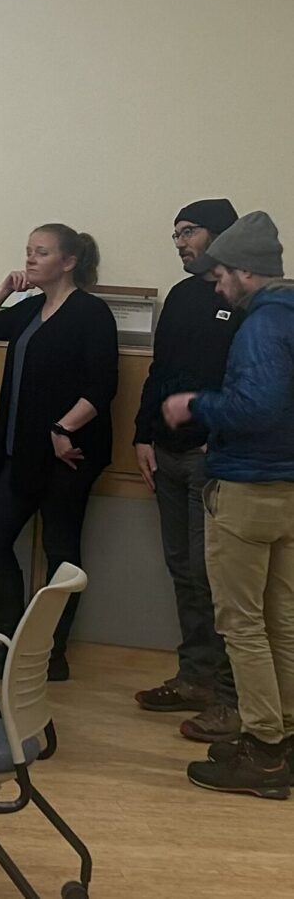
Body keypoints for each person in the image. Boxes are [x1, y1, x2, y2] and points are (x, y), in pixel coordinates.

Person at [162, 212, 294, 800]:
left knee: (240, 624)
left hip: (247, 491)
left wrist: (198, 404)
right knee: (280, 623)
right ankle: (282, 738)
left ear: (245, 271)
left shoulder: (263, 327)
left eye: (221, 275)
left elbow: (258, 408)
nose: (216, 286)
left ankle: (264, 753)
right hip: (287, 492)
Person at [0, 223, 118, 682]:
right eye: (28, 251)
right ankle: (10, 643)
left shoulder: (92, 313)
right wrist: (4, 288)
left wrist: (63, 427)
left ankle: (51, 655)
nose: (31, 260)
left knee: (61, 553)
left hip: (67, 455)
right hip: (19, 453)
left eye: (42, 253)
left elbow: (102, 385)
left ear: (69, 262)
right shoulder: (30, 309)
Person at [133, 199, 241, 743]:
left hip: (213, 458)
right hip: (167, 454)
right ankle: (196, 678)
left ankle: (229, 698)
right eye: (174, 232)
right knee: (183, 570)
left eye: (189, 232)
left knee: (212, 576)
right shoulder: (180, 296)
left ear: (220, 235)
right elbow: (159, 371)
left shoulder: (243, 299)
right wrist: (142, 434)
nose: (179, 241)